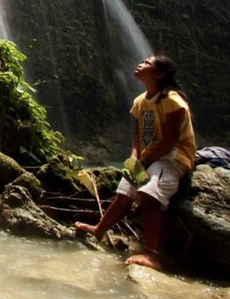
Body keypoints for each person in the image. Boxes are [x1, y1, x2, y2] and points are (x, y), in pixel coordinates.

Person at [75, 54, 196, 271]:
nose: (140, 64)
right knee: (125, 191)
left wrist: (146, 159)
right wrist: (134, 159)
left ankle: (152, 255)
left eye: (147, 63)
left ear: (159, 74)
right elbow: (138, 136)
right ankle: (99, 229)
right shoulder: (140, 102)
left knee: (149, 195)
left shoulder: (172, 100)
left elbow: (170, 140)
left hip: (173, 158)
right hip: (148, 157)